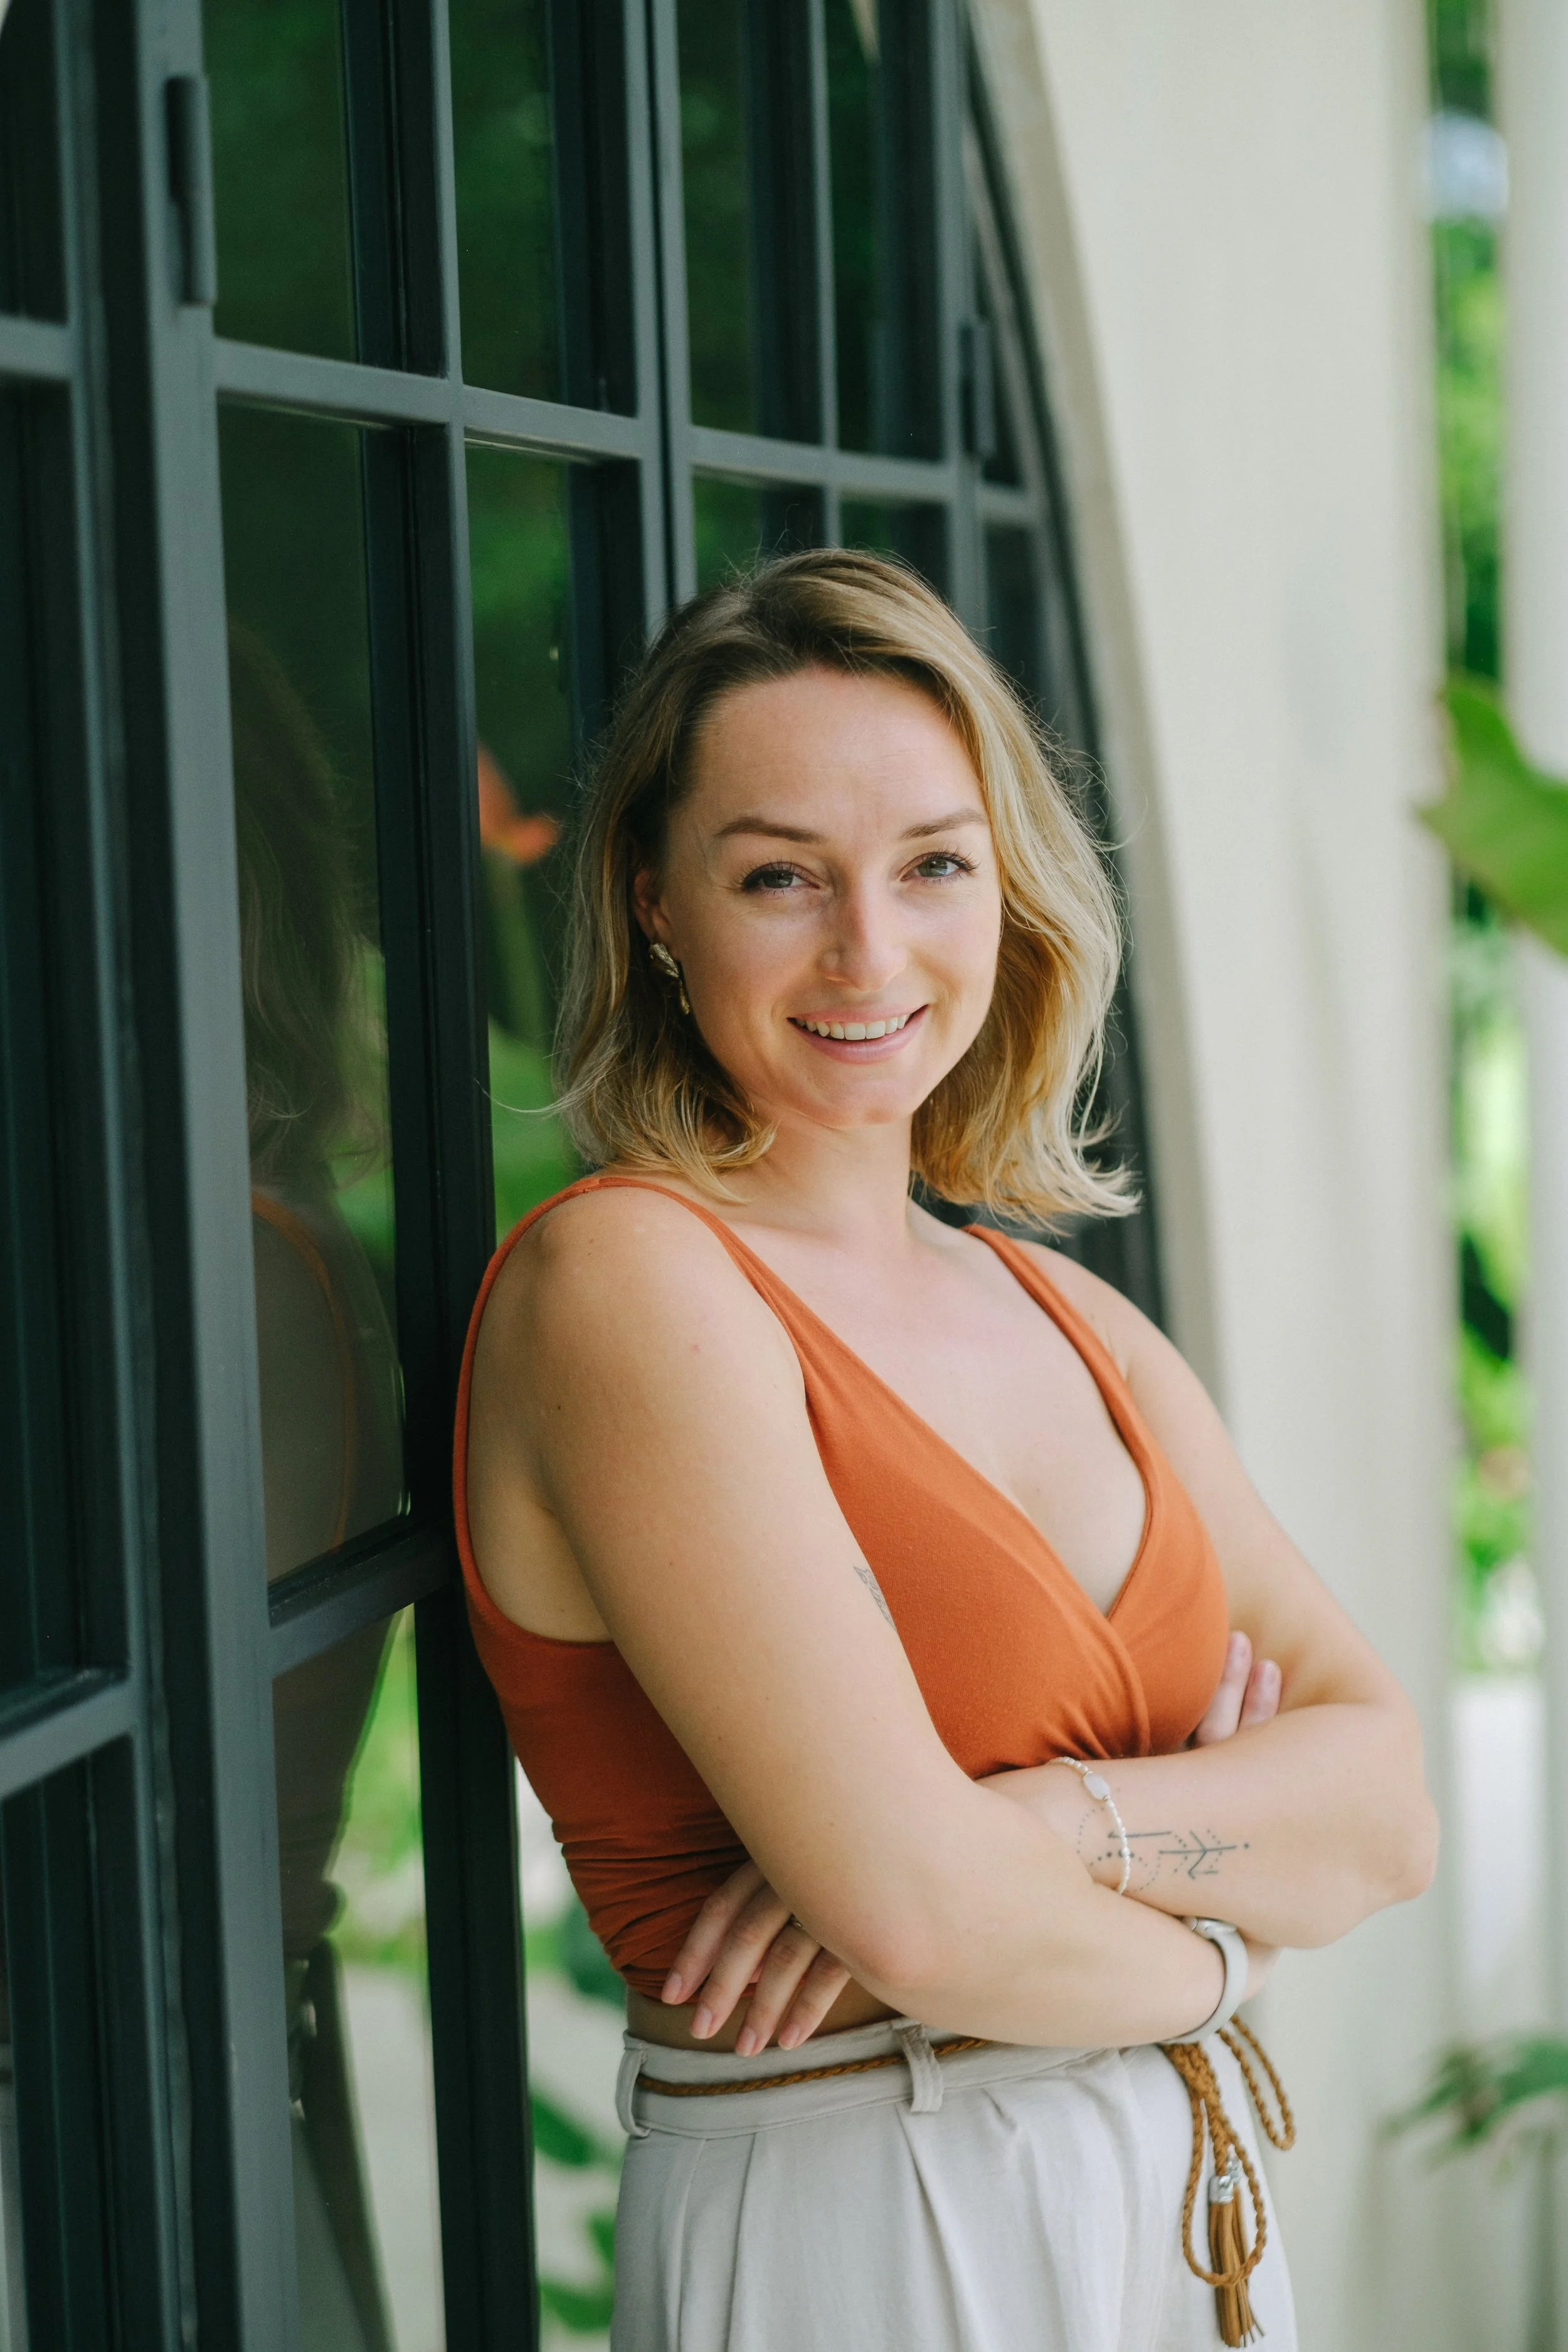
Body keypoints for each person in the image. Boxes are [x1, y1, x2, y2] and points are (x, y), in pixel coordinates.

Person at [455, 549, 1438, 2351]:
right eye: (780, 876)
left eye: (932, 865)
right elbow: (911, 1917)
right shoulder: (629, 1286)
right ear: (656, 904)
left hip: (1169, 2192)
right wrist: (1228, 1945)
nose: (869, 950)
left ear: (1010, 889)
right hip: (869, 2200)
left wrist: (1048, 1824)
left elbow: (1384, 1810)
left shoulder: (1070, 1316)